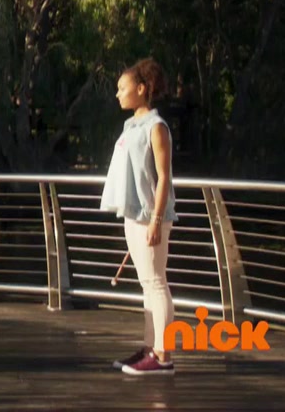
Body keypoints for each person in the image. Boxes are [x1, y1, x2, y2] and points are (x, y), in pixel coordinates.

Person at [100, 58, 178, 376]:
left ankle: (163, 356)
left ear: (142, 89)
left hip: (150, 216)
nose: (118, 93)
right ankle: (151, 348)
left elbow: (164, 177)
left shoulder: (156, 127)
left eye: (123, 88)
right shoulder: (131, 125)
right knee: (148, 285)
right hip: (134, 215)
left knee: (156, 283)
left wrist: (156, 221)